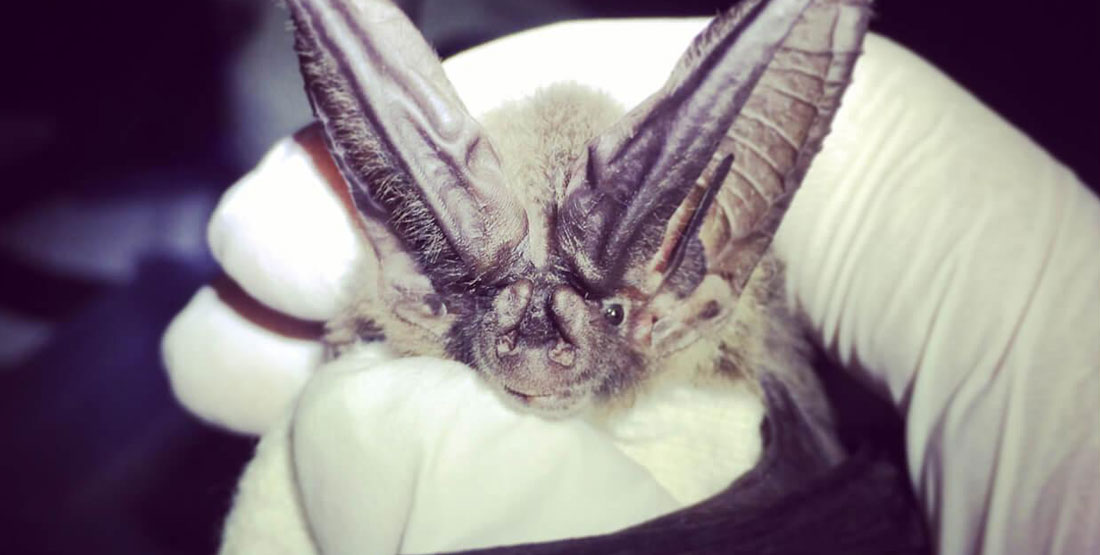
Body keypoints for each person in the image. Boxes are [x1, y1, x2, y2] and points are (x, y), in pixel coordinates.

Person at [162, 18, 1099, 554]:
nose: (531, 346)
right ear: (412, 274)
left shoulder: (738, 378)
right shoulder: (387, 357)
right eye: (490, 300)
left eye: (600, 307)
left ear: (700, 293)